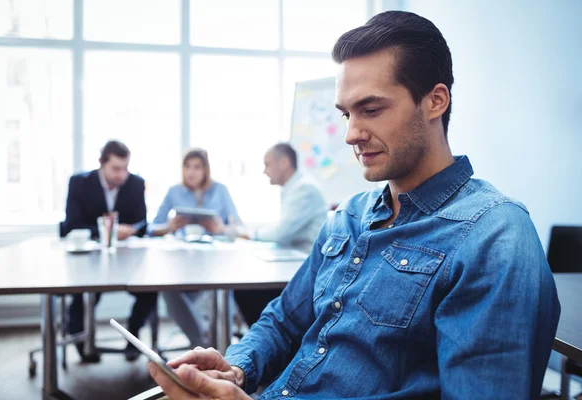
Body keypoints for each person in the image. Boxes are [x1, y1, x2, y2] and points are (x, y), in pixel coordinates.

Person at [147, 11, 561, 399]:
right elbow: (282, 321)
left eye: (371, 109)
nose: (351, 134)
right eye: (347, 114)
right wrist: (235, 368)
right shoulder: (348, 217)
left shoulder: (494, 236)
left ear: (435, 101)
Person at [61, 140, 156, 362]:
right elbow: (72, 224)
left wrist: (131, 230)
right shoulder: (79, 183)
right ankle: (80, 341)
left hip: (127, 259)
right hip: (89, 259)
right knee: (81, 295)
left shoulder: (136, 183)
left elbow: (143, 223)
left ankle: (133, 338)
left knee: (150, 290)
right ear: (102, 164)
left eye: (125, 168)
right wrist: (107, 229)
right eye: (116, 168)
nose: (121, 175)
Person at [149, 148, 241, 347]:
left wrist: (220, 228)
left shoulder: (220, 191)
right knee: (167, 288)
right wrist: (170, 226)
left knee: (222, 289)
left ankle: (212, 341)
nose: (191, 172)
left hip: (215, 262)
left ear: (206, 169)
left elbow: (238, 228)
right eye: (187, 167)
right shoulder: (174, 192)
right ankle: (202, 339)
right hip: (183, 262)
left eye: (197, 167)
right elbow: (152, 228)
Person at [234, 143, 328, 327]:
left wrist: (251, 235)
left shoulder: (304, 189)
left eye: (267, 164)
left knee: (245, 289)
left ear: (284, 163)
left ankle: (275, 340)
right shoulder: (294, 188)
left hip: (305, 264)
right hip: (295, 260)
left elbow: (281, 233)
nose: (264, 171)